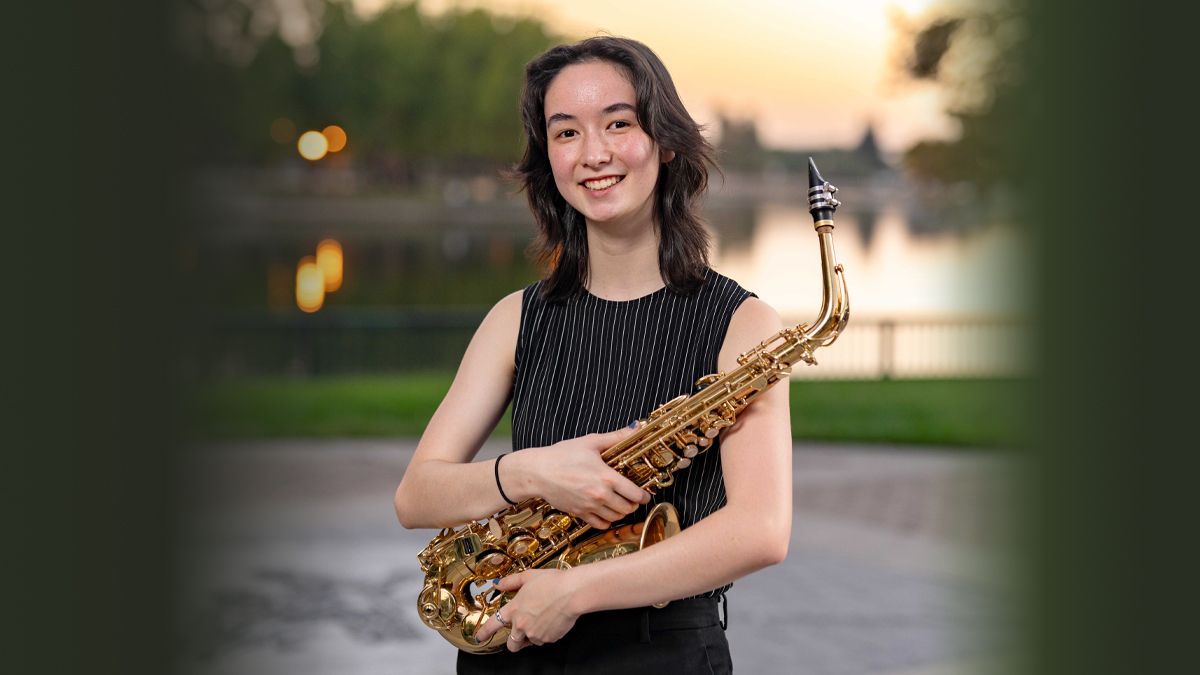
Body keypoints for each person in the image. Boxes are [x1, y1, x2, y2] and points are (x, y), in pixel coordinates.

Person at [394, 36, 792, 675]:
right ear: (546, 157)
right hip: (514, 647)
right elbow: (417, 496)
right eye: (565, 132)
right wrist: (531, 474)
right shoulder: (514, 319)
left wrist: (578, 590)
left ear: (664, 140)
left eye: (618, 122)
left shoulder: (743, 323)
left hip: (661, 656)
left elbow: (761, 530)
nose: (594, 153)